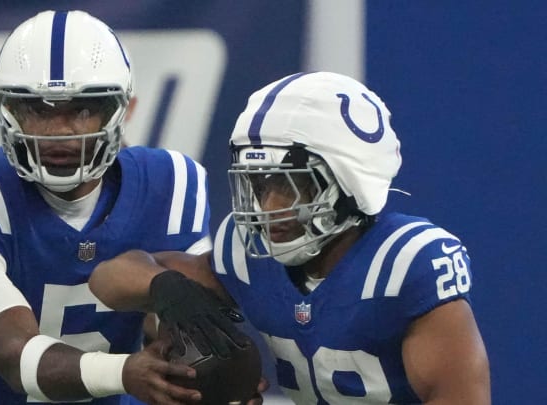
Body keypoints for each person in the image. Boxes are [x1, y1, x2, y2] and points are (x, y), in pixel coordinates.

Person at [89, 71, 492, 404]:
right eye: (261, 185)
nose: (269, 206)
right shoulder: (251, 254)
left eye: (292, 184)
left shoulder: (405, 267)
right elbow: (109, 278)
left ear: (348, 180)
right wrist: (168, 289)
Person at [0, 9, 215, 404]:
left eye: (81, 109)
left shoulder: (170, 185)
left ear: (120, 110)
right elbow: (14, 354)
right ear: (7, 111)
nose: (60, 131)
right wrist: (124, 372)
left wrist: (214, 376)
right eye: (39, 110)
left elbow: (191, 330)